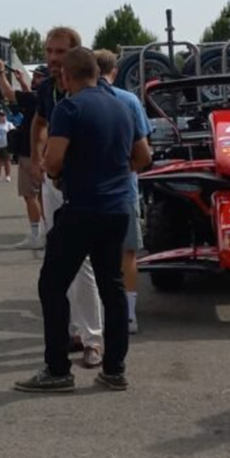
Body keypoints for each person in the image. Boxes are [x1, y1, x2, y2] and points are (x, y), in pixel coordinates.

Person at [15, 47, 152, 394]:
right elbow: (143, 156)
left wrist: (53, 169)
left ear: (66, 76)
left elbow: (56, 159)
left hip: (83, 207)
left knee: (52, 284)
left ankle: (58, 369)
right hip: (119, 206)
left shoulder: (69, 107)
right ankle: (115, 368)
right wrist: (115, 174)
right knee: (113, 286)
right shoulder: (123, 105)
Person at [30, 27, 103, 366]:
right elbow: (39, 122)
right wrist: (37, 157)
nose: (53, 58)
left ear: (75, 53)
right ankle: (73, 332)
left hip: (84, 187)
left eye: (60, 52)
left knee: (84, 263)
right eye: (49, 51)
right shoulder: (47, 88)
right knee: (58, 261)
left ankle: (93, 340)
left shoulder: (93, 90)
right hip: (52, 183)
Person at [94, 49, 153, 334]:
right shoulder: (129, 100)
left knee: (96, 254)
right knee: (128, 252)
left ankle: (99, 312)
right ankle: (129, 314)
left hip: (90, 188)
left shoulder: (80, 101)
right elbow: (144, 150)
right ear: (114, 71)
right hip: (124, 186)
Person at [0, 59, 47, 249]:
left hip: (29, 153)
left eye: (39, 77)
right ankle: (47, 232)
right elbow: (28, 99)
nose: (35, 79)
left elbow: (8, 94)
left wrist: (0, 72)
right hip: (39, 153)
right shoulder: (45, 97)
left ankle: (36, 235)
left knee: (29, 194)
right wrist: (23, 82)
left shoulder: (37, 97)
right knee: (41, 195)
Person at [0, 109, 15, 182]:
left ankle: (7, 175)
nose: (1, 117)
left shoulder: (9, 124)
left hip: (6, 145)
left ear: (5, 116)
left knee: (7, 161)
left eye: (2, 115)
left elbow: (13, 133)